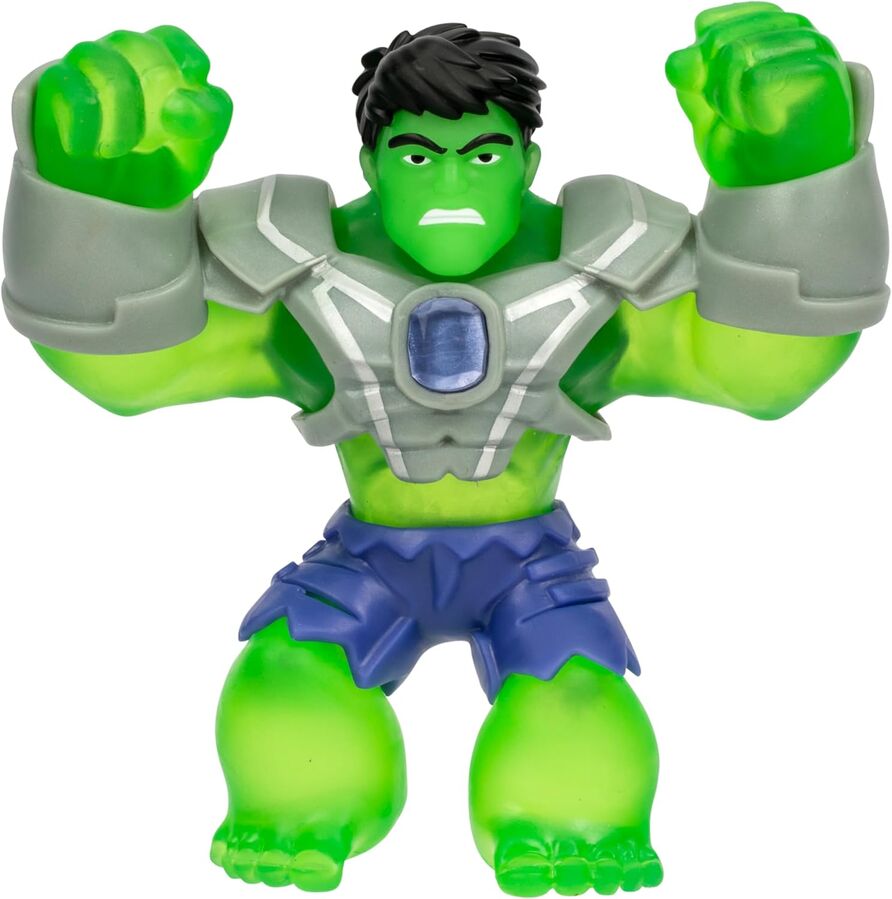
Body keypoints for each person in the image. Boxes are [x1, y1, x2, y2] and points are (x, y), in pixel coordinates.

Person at [2, 5, 887, 895]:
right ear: (373, 164)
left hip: (529, 562)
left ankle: (566, 825)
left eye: (485, 155)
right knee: (284, 677)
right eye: (419, 157)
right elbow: (138, 366)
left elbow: (754, 367)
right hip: (369, 556)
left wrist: (792, 188)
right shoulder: (307, 278)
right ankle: (303, 809)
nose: (452, 183)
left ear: (528, 163)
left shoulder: (597, 273)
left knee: (576, 695)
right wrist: (103, 212)